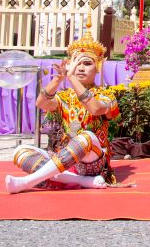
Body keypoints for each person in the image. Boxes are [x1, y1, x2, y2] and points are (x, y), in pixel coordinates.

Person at [6, 25, 120, 193]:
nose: (80, 68)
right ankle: (81, 181)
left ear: (98, 67)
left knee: (86, 137)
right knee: (20, 151)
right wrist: (58, 80)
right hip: (66, 161)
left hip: (93, 161)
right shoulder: (64, 96)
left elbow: (95, 109)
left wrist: (71, 78)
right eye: (76, 64)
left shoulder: (106, 95)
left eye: (87, 63)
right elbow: (41, 103)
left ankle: (27, 182)